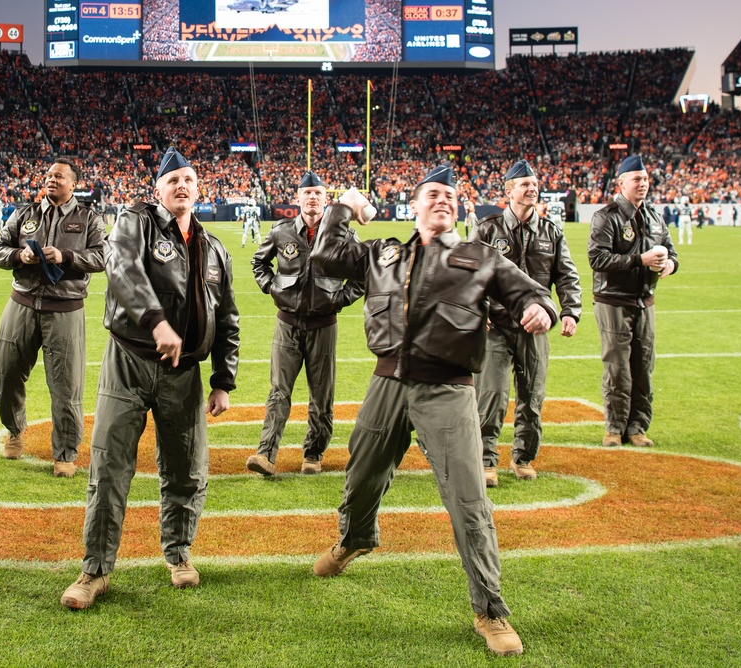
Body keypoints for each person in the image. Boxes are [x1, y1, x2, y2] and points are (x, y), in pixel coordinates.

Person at [309, 164, 558, 657]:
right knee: (360, 479)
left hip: (447, 389)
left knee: (467, 501)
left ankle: (490, 611)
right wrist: (344, 207)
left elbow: (531, 291)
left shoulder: (481, 256)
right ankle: (355, 538)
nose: (442, 200)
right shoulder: (383, 253)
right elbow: (324, 257)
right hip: (386, 383)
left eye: (450, 195)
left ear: (458, 208)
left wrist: (541, 309)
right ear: (415, 205)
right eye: (432, 194)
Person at [60, 147, 239, 610]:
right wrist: (157, 321)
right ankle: (95, 569)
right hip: (129, 361)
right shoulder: (134, 221)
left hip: (186, 374)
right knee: (110, 464)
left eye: (189, 179)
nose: (182, 185)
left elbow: (229, 317)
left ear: (199, 190)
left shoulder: (215, 248)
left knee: (186, 467)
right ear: (157, 188)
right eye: (173, 179)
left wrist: (223, 379)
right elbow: (121, 269)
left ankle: (179, 555)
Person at [0, 160, 105, 477]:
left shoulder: (87, 218)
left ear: (73, 184)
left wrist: (65, 256)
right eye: (49, 175)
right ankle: (15, 429)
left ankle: (65, 454)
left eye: (59, 176)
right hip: (22, 302)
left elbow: (103, 256)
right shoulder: (24, 214)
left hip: (65, 308)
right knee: (5, 371)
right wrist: (18, 255)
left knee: (67, 386)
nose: (52, 180)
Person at [470, 160, 582, 486]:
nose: (531, 188)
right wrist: (479, 313)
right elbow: (468, 277)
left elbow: (567, 276)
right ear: (508, 191)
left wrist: (571, 311)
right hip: (496, 326)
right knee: (490, 395)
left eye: (534, 184)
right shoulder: (487, 229)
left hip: (535, 329)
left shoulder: (551, 232)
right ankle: (486, 459)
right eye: (524, 184)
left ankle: (523, 457)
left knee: (532, 396)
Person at [246, 172, 365, 476]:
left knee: (321, 394)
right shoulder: (281, 232)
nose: (312, 198)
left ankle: (313, 453)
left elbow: (363, 273)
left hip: (324, 325)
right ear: (297, 198)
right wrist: (271, 287)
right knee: (278, 392)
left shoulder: (344, 235)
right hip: (287, 324)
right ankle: (265, 454)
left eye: (318, 193)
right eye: (307, 193)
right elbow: (259, 263)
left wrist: (340, 299)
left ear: (327, 199)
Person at [588, 155, 679, 448]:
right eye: (636, 179)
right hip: (613, 301)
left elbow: (672, 252)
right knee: (617, 367)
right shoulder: (606, 216)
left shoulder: (654, 217)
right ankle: (614, 428)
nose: (643, 184)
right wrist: (640, 260)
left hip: (645, 301)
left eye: (646, 179)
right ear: (621, 182)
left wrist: (669, 266)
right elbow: (597, 259)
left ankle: (637, 427)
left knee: (643, 366)